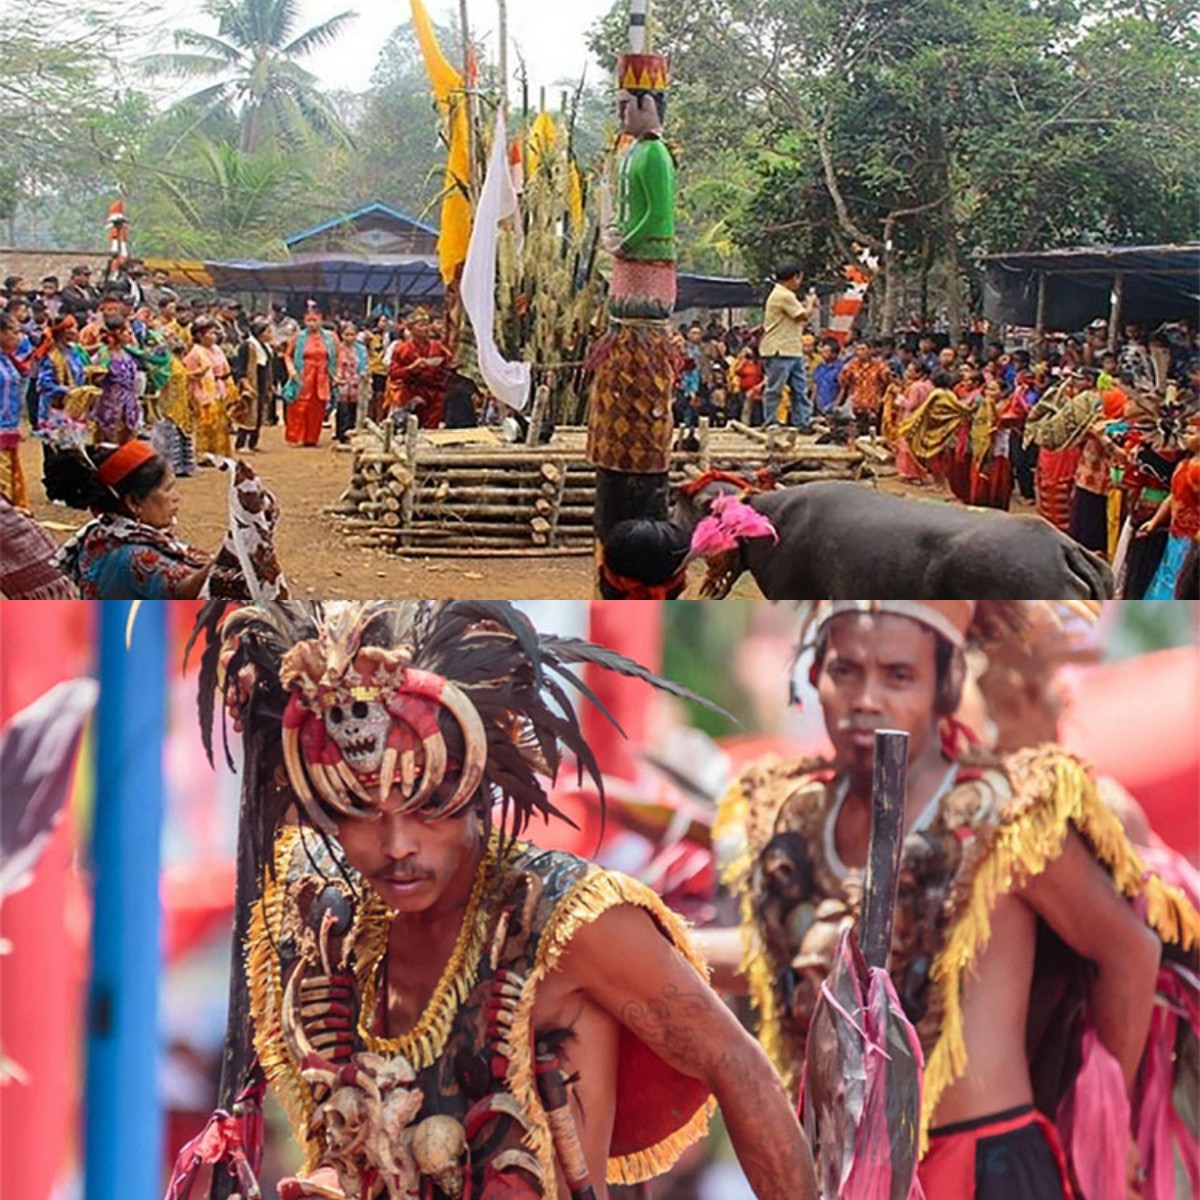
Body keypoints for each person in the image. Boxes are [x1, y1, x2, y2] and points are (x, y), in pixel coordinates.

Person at [190, 602, 818, 1200]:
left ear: (479, 781)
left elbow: (737, 1064)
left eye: (427, 802)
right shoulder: (317, 917)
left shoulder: (572, 920)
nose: (397, 844)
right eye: (358, 810)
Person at [717, 600, 1197, 1198]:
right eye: (845, 671)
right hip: (842, 1173)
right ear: (814, 676)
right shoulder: (791, 813)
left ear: (944, 687)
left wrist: (1108, 1115)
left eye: (898, 676)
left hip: (985, 1166)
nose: (867, 699)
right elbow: (774, 959)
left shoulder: (1007, 814)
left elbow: (1127, 951)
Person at [48, 442, 212, 599]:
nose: (176, 497)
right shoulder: (134, 555)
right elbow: (184, 593)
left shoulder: (100, 532)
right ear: (134, 502)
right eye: (168, 489)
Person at [1140, 416, 1200, 598]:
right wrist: (1154, 521)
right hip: (1176, 537)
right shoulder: (1185, 463)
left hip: (1192, 541)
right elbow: (1174, 495)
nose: (1187, 435)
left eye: (1194, 432)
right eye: (1187, 431)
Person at [759, 262, 816, 430]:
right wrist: (811, 303)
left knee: (800, 388)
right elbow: (802, 316)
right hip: (779, 348)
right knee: (775, 389)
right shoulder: (784, 295)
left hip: (792, 348)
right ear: (794, 277)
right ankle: (771, 421)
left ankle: (802, 421)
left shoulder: (783, 294)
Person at [386, 308, 452, 430]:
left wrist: (443, 365)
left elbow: (450, 365)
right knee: (411, 428)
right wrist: (411, 369)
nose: (426, 328)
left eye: (427, 325)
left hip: (435, 394)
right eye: (421, 325)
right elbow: (393, 373)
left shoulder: (438, 347)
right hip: (411, 393)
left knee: (432, 429)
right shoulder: (402, 349)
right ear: (410, 329)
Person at [285, 304, 337, 447]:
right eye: (309, 320)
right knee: (299, 407)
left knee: (317, 408)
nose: (312, 323)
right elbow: (287, 355)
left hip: (321, 376)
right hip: (303, 375)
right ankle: (296, 437)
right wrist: (291, 370)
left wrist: (336, 375)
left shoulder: (330, 337)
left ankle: (311, 438)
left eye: (315, 320)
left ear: (321, 320)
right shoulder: (298, 337)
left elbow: (336, 357)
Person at [182, 317, 234, 460]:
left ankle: (220, 452)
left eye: (214, 333)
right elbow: (185, 374)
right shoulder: (195, 352)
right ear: (199, 335)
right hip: (202, 390)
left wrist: (230, 387)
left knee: (221, 422)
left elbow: (225, 370)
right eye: (210, 333)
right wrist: (198, 374)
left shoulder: (217, 349)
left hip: (219, 387)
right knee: (206, 423)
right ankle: (204, 454)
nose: (214, 336)